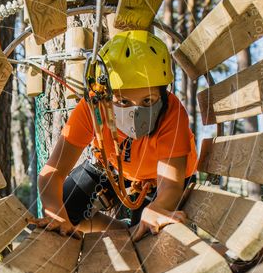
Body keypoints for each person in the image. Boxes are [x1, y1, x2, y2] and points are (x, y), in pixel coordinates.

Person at [38, 30, 198, 242]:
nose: (135, 113)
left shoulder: (171, 112)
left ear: (163, 94)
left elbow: (171, 185)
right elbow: (52, 173)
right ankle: (123, 231)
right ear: (104, 95)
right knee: (65, 204)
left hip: (163, 182)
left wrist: (158, 207)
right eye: (122, 102)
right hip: (116, 171)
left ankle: (130, 231)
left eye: (148, 101)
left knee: (147, 234)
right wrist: (55, 214)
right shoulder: (92, 109)